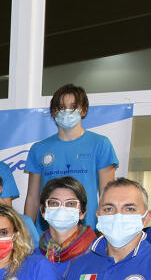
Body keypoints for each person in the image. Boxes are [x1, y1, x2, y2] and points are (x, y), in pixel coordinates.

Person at [24, 84, 118, 228]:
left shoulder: (100, 144)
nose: (67, 111)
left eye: (73, 106)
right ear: (54, 112)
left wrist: (107, 230)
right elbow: (32, 197)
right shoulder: (38, 149)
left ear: (84, 110)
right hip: (47, 232)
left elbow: (108, 194)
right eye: (61, 107)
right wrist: (27, 231)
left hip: (88, 230)